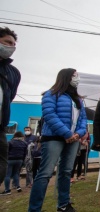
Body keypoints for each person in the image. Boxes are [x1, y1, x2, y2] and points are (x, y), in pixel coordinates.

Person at [28, 68, 87, 212]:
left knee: (66, 172)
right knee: (45, 173)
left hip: (73, 139)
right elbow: (49, 115)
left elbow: (83, 119)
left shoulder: (78, 99)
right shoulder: (51, 94)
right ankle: (34, 209)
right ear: (66, 77)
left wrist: (78, 134)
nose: (77, 78)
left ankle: (63, 204)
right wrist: (67, 133)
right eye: (74, 75)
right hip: (54, 138)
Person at [0, 27, 21, 186]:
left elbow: (10, 97)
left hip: (0, 126)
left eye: (14, 44)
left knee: (2, 168)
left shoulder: (13, 72)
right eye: (7, 42)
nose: (11, 47)